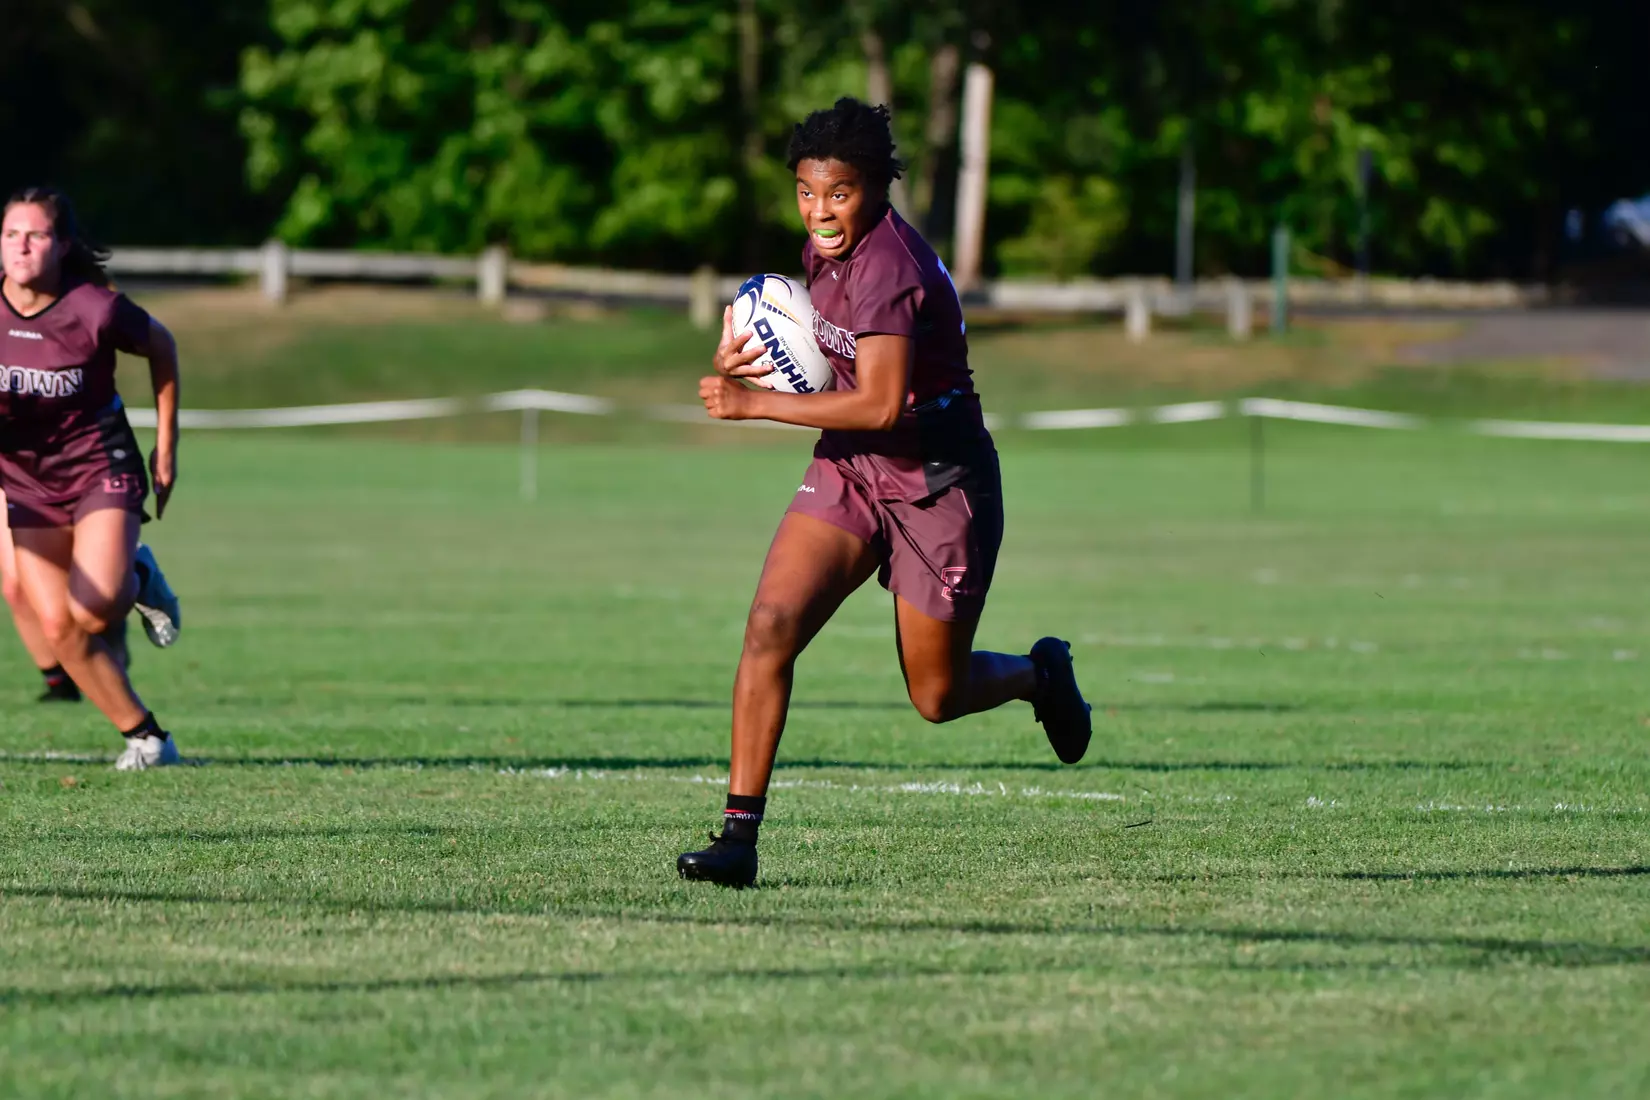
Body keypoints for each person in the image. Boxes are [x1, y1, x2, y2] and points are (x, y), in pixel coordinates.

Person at [678, 99, 1092, 887]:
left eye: (838, 193)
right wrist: (757, 359)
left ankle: (1039, 674)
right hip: (853, 467)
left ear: (875, 187)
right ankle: (738, 836)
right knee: (770, 623)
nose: (820, 211)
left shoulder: (891, 268)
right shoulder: (823, 250)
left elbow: (881, 402)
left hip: (939, 486)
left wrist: (753, 404)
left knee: (936, 694)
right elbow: (835, 374)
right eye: (806, 192)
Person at [0, 186, 182, 769]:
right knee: (58, 624)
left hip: (98, 467)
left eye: (36, 235)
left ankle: (134, 572)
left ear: (64, 245)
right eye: (10, 234)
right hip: (26, 484)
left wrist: (167, 442)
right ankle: (147, 739)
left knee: (96, 609)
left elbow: (162, 345)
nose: (21, 246)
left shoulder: (94, 308)